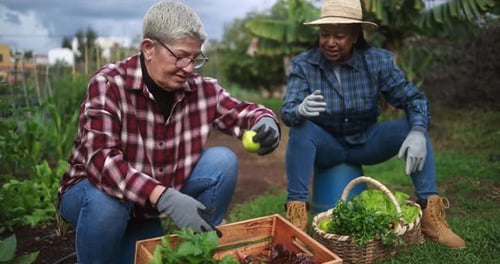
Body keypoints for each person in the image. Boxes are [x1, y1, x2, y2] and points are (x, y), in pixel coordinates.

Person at [57, 1, 281, 263]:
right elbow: (101, 161)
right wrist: (163, 197)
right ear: (149, 48)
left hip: (148, 203)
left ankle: (200, 244)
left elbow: (243, 112)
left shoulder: (201, 89)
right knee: (107, 203)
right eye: (180, 56)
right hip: (93, 193)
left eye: (195, 58)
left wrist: (266, 122)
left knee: (223, 161)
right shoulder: (109, 83)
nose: (188, 68)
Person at [280, 0, 465, 249]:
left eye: (339, 35)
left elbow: (413, 99)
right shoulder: (304, 64)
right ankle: (297, 219)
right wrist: (298, 110)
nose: (330, 42)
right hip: (327, 145)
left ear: (356, 35)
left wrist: (419, 131)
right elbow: (288, 110)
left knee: (409, 127)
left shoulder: (377, 61)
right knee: (301, 128)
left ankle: (432, 218)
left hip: (366, 141)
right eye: (324, 34)